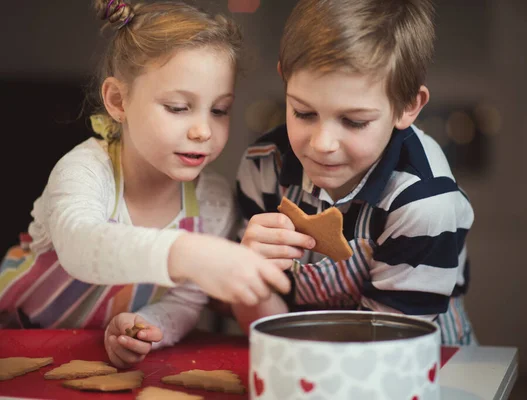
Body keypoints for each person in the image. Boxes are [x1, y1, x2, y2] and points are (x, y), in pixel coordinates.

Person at [0, 0, 290, 368]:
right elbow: (81, 245)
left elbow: (185, 302)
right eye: (178, 107)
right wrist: (188, 253)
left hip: (94, 361)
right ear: (118, 100)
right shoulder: (86, 170)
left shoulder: (211, 201)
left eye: (219, 110)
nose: (203, 130)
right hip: (13, 346)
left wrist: (145, 326)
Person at [232, 0, 476, 345]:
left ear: (408, 106)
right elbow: (267, 332)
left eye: (354, 121)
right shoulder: (264, 167)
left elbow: (385, 347)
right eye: (303, 113)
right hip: (301, 358)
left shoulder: (423, 203)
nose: (322, 143)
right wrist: (248, 277)